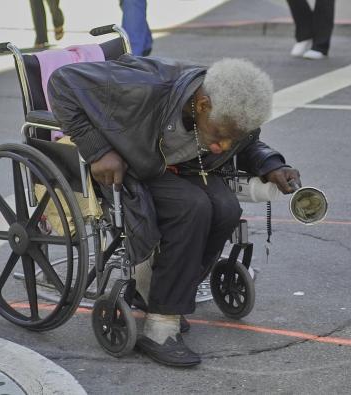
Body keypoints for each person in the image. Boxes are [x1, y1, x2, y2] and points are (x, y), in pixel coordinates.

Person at [47, 55, 301, 367]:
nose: (223, 146)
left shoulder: (230, 117)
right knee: (191, 208)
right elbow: (61, 82)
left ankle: (159, 291)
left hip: (185, 168)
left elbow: (244, 144)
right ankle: (160, 326)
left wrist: (272, 164)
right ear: (203, 104)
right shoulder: (145, 88)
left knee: (225, 208)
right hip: (132, 163)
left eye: (231, 138)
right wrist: (98, 149)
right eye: (220, 134)